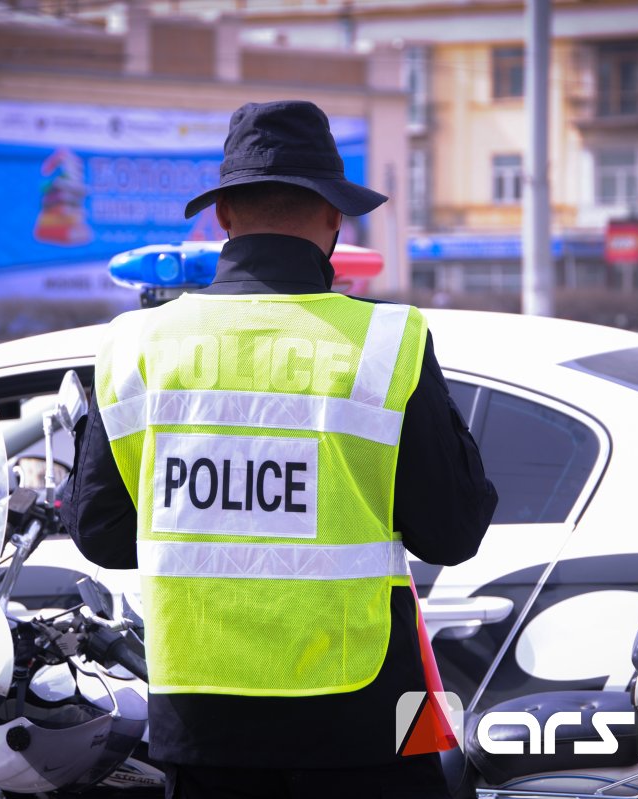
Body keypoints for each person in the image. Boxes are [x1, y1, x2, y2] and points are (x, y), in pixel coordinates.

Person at [61, 100, 497, 799]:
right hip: (364, 718)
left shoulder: (135, 347)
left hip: (203, 726)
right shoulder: (385, 344)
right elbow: (453, 530)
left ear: (224, 217)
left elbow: (103, 534)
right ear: (333, 219)